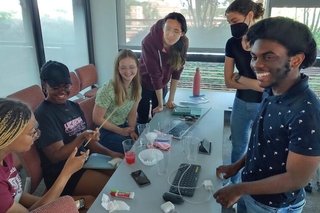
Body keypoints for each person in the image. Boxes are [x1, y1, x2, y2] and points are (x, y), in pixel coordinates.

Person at [214, 17, 320, 213]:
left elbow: (297, 178)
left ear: (296, 60)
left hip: (274, 206)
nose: (256, 65)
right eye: (254, 56)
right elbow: (262, 143)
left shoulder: (308, 111)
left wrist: (239, 188)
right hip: (250, 192)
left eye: (268, 57)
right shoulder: (271, 90)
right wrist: (237, 166)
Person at [35, 60, 124, 198]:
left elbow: (88, 141)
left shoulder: (73, 106)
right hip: (63, 173)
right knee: (114, 191)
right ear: (44, 85)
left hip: (84, 161)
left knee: (123, 176)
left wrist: (110, 153)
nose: (62, 91)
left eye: (66, 86)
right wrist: (81, 137)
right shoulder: (44, 115)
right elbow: (56, 156)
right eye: (55, 87)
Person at [0, 98, 94, 213]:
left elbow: (16, 195)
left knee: (88, 202)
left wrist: (51, 201)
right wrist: (67, 172)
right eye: (31, 132)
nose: (37, 134)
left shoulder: (5, 155)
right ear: (8, 137)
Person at [224, 0, 265, 184]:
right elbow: (227, 81)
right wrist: (253, 83)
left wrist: (239, 78)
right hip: (239, 103)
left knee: (260, 148)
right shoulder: (231, 44)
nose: (232, 26)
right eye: (230, 23)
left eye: (234, 21)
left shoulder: (265, 42)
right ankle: (235, 184)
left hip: (263, 104)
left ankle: (254, 185)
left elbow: (265, 86)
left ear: (249, 15)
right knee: (238, 146)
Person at [137, 12, 189, 124]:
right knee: (142, 117)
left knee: (158, 117)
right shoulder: (149, 42)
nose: (170, 35)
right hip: (144, 82)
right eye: (168, 29)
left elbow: (177, 72)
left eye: (176, 31)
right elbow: (154, 75)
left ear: (182, 33)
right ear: (163, 27)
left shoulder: (183, 43)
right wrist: (161, 104)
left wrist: (171, 99)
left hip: (162, 84)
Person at [92, 49, 141, 153]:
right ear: (118, 69)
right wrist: (120, 131)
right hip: (105, 131)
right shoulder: (107, 90)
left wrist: (131, 129)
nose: (128, 72)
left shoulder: (136, 87)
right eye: (123, 68)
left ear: (137, 66)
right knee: (132, 147)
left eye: (132, 67)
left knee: (145, 135)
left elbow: (132, 113)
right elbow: (96, 118)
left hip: (123, 124)